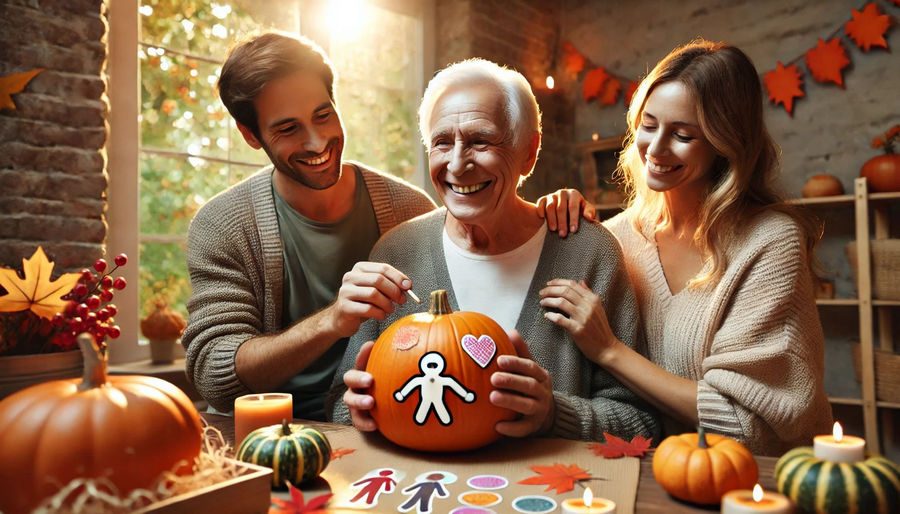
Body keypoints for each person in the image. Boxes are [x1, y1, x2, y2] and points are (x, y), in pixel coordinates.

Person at [183, 33, 593, 420]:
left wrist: (549, 207)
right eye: (288, 129)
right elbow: (215, 376)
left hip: (382, 421)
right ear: (251, 135)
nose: (317, 142)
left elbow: (478, 217)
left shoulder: (408, 211)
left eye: (323, 115)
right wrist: (331, 322)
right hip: (271, 429)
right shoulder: (224, 225)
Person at [328, 58, 658, 442]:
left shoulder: (588, 252)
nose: (457, 163)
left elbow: (640, 423)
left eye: (480, 141)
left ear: (528, 153)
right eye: (441, 142)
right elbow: (339, 403)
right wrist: (359, 409)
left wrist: (554, 413)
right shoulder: (396, 251)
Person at [540, 39, 832, 455]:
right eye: (648, 124)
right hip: (654, 474)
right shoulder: (618, 237)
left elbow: (745, 423)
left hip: (759, 481)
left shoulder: (769, 242)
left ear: (724, 143)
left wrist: (609, 349)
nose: (655, 150)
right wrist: (552, 222)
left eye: (682, 135)